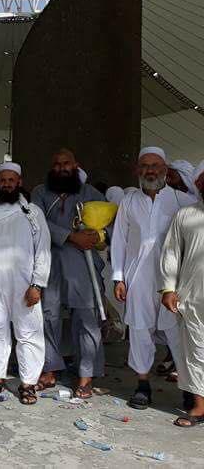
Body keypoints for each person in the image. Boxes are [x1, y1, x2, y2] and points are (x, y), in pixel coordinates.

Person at [112, 147, 197, 409]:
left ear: (165, 170)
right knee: (140, 330)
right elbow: (119, 240)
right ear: (138, 170)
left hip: (173, 281)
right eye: (145, 166)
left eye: (155, 166)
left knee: (176, 332)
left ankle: (188, 387)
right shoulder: (129, 201)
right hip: (137, 278)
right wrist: (118, 277)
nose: (150, 171)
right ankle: (142, 384)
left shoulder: (182, 200)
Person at [0, 162, 51, 404]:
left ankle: (28, 384)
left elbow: (43, 251)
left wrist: (37, 284)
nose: (6, 184)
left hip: (25, 286)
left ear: (19, 183)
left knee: (28, 334)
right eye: (2, 180)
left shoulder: (32, 212)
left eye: (10, 180)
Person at [30, 148, 107, 397]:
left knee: (86, 318)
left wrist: (98, 236)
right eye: (57, 164)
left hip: (82, 265)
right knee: (47, 316)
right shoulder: (40, 192)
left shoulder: (89, 192)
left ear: (75, 166)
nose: (61, 168)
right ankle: (49, 370)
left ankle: (86, 376)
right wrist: (72, 236)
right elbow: (36, 221)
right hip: (49, 262)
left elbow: (111, 224)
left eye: (66, 164)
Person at [160, 161, 204, 427]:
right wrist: (168, 288)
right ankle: (199, 406)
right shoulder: (185, 215)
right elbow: (171, 253)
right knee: (195, 350)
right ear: (199, 183)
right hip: (193, 296)